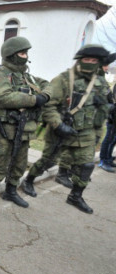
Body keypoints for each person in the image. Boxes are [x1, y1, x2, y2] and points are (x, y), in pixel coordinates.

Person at [41, 44, 111, 214]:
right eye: (87, 59)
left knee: (87, 165)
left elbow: (105, 104)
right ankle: (31, 180)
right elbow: (48, 104)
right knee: (47, 160)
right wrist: (58, 124)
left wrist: (105, 109)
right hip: (66, 128)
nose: (90, 63)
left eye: (94, 60)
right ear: (80, 60)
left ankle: (76, 195)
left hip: (88, 131)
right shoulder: (65, 79)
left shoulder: (100, 81)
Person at [0, 36, 49, 213]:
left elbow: (48, 85)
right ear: (11, 55)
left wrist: (46, 95)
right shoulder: (0, 74)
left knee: (20, 162)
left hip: (25, 128)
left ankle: (11, 191)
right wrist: (35, 99)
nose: (25, 56)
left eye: (26, 53)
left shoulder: (27, 77)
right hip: (6, 128)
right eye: (22, 53)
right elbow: (4, 97)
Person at [98, 54, 116, 172]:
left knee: (113, 139)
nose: (107, 68)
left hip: (113, 113)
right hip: (112, 116)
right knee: (109, 138)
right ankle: (103, 160)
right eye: (105, 66)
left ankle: (108, 158)